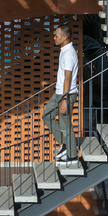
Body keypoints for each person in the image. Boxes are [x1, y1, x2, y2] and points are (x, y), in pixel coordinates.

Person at [42, 24, 80, 162]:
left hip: (66, 95)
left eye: (56, 36)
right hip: (59, 93)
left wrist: (64, 99)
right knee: (47, 116)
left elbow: (68, 77)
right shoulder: (64, 50)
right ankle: (65, 144)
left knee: (65, 125)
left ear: (64, 37)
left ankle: (72, 156)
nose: (54, 38)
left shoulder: (69, 53)